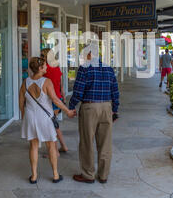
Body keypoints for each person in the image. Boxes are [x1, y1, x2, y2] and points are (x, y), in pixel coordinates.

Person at [19, 57, 76, 184]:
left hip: (30, 116)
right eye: (45, 66)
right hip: (44, 117)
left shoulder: (25, 82)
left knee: (33, 146)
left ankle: (34, 176)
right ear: (40, 68)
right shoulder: (46, 82)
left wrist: (24, 117)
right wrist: (67, 111)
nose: (46, 67)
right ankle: (55, 174)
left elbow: (21, 102)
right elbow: (55, 100)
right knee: (51, 145)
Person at [68, 50, 119, 184]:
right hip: (106, 107)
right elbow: (115, 90)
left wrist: (71, 106)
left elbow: (78, 91)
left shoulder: (84, 69)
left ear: (89, 55)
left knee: (87, 142)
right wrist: (115, 109)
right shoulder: (109, 69)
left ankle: (88, 175)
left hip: (90, 108)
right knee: (105, 143)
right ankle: (103, 175)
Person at [41, 48, 69, 156]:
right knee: (54, 124)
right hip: (58, 98)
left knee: (51, 126)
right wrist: (63, 98)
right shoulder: (56, 67)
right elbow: (61, 84)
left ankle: (54, 151)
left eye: (42, 56)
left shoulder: (44, 69)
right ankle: (63, 146)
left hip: (49, 100)